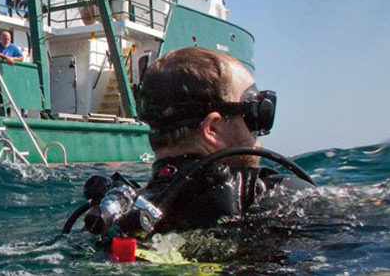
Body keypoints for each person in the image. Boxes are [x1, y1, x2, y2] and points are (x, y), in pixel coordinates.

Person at [133, 46, 312, 232]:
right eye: (255, 115)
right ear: (212, 129)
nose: (257, 136)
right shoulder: (284, 199)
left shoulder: (124, 209)